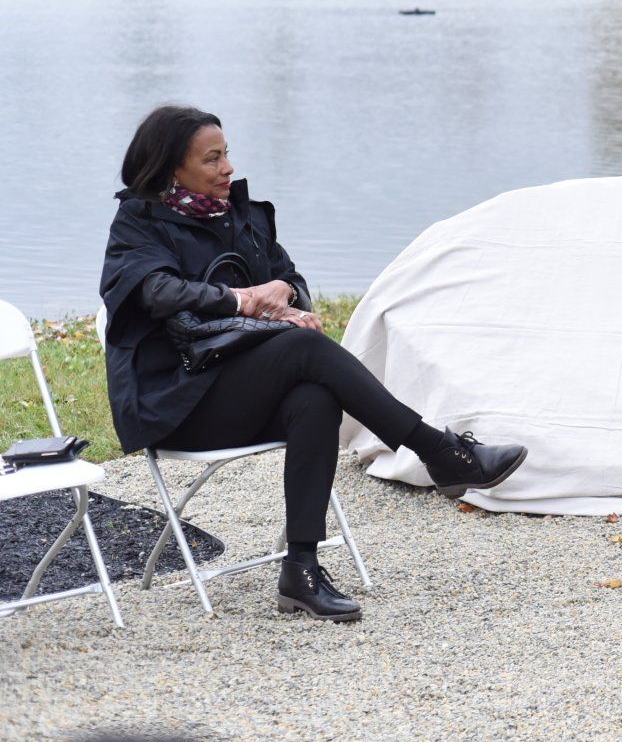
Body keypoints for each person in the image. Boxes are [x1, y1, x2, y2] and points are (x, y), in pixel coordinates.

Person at [100, 105, 529, 622]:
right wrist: (242, 300)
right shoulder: (138, 223)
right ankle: (439, 451)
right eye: (211, 159)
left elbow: (292, 281)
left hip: (240, 389)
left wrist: (284, 293)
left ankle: (300, 571)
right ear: (172, 167)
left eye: (227, 154)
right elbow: (155, 291)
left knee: (315, 398)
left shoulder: (242, 216)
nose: (227, 168)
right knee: (305, 351)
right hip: (175, 403)